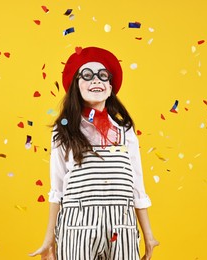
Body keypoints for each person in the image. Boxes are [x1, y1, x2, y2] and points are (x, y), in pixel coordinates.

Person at [30, 47, 159, 260]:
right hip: (77, 224)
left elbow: (137, 185)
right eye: (87, 75)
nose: (96, 80)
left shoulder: (125, 130)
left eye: (103, 75)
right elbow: (57, 188)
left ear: (110, 87)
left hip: (122, 224)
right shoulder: (63, 129)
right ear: (76, 85)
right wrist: (49, 239)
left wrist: (149, 235)